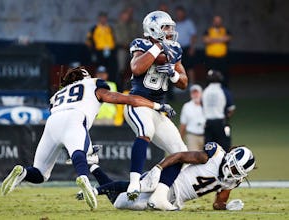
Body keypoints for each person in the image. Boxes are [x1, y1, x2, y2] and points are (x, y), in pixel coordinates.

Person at [1, 67, 175, 210]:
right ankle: (83, 177)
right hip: (75, 118)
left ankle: (22, 172)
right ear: (85, 75)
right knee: (79, 153)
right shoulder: (93, 83)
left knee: (39, 173)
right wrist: (156, 105)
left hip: (52, 122)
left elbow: (62, 129)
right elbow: (116, 97)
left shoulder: (58, 95)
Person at [77, 142, 255, 211]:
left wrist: (226, 207)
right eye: (233, 167)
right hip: (167, 180)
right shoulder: (214, 155)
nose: (232, 172)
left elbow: (218, 204)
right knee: (138, 185)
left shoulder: (232, 181)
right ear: (230, 158)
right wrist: (158, 168)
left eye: (237, 171)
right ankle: (95, 189)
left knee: (119, 202)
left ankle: (93, 168)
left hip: (175, 199)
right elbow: (179, 156)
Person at [124, 10, 188, 200]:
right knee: (146, 131)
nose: (170, 31)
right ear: (153, 28)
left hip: (159, 108)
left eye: (170, 27)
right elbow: (136, 67)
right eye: (165, 27)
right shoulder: (141, 43)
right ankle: (134, 182)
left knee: (181, 152)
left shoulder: (175, 48)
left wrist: (173, 74)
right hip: (139, 104)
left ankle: (159, 191)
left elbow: (184, 82)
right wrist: (157, 47)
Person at [202, 70, 236, 152]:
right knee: (225, 148)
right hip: (221, 123)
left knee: (209, 150)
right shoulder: (224, 91)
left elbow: (202, 107)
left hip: (208, 124)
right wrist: (226, 117)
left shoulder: (205, 92)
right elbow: (231, 109)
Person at [85, 12, 117, 82]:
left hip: (109, 51)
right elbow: (88, 41)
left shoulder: (110, 28)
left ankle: (110, 81)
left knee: (110, 68)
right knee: (99, 68)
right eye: (102, 18)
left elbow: (114, 39)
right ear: (99, 18)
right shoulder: (94, 28)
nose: (103, 19)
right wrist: (92, 51)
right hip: (98, 52)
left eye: (104, 18)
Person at [114, 8, 140, 88]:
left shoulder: (132, 24)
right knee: (121, 68)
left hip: (133, 48)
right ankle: (119, 85)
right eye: (125, 15)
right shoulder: (118, 25)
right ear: (121, 16)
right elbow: (118, 39)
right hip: (122, 48)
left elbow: (137, 36)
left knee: (138, 64)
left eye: (128, 15)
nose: (127, 17)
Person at [203, 16, 232, 86]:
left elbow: (228, 38)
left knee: (224, 75)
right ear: (213, 22)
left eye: (219, 21)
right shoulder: (208, 30)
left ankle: (224, 89)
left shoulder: (225, 30)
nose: (217, 22)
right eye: (216, 21)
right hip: (211, 58)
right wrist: (220, 39)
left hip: (223, 58)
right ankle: (209, 89)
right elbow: (206, 40)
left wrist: (213, 39)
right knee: (210, 74)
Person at [175, 6, 197, 85]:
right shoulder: (174, 24)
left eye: (181, 13)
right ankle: (179, 84)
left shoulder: (189, 23)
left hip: (187, 48)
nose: (179, 15)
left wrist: (192, 47)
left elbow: (193, 36)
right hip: (177, 49)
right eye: (178, 14)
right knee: (177, 67)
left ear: (184, 14)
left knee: (190, 67)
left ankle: (192, 84)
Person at [179, 84, 205, 150]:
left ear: (201, 93)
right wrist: (180, 139)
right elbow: (183, 124)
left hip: (206, 135)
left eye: (197, 93)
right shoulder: (187, 106)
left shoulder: (206, 105)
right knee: (193, 158)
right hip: (192, 136)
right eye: (193, 93)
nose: (195, 95)